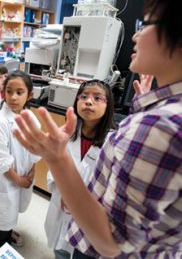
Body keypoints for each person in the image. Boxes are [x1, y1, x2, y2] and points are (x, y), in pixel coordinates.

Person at [13, 0, 182, 257]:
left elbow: (110, 240)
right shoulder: (164, 115)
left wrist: (57, 157)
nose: (136, 35)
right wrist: (144, 109)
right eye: (84, 97)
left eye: (148, 24)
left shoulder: (162, 126)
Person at [45, 79, 116, 259]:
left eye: (97, 98)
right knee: (59, 249)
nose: (89, 101)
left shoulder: (114, 142)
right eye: (83, 96)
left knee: (81, 252)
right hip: (61, 206)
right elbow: (53, 168)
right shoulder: (66, 133)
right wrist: (63, 193)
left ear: (108, 106)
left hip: (91, 215)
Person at [0, 71, 41, 248]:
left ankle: (7, 230)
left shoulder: (30, 117)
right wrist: (19, 180)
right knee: (4, 211)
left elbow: (36, 147)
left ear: (29, 95)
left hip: (23, 175)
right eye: (9, 92)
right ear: (3, 93)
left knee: (12, 209)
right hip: (6, 179)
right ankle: (3, 241)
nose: (13, 97)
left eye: (19, 92)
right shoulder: (0, 122)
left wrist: (31, 171)